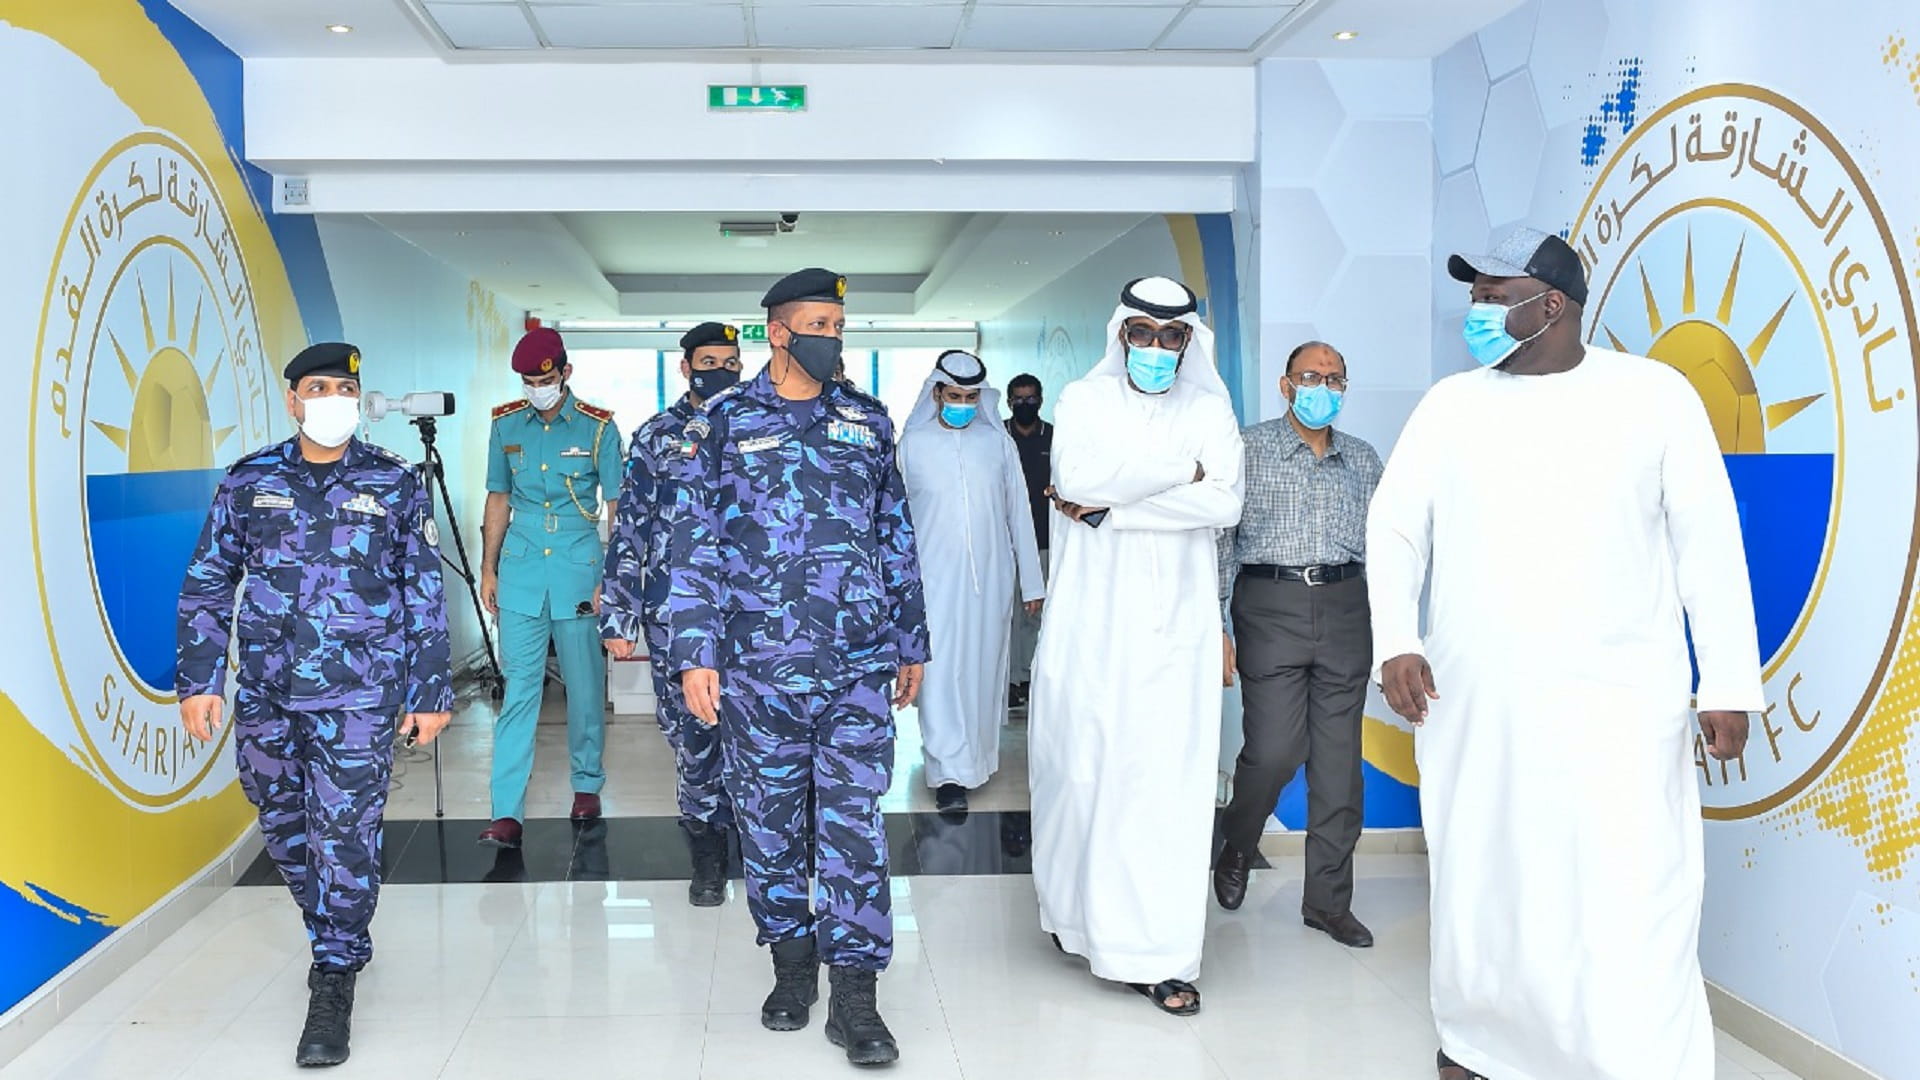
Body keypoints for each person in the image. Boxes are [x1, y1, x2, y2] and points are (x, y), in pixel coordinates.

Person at [1369, 228, 1761, 1080]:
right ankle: (1478, 1044)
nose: (1475, 310)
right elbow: (1395, 526)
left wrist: (1727, 683)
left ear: (1552, 304)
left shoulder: (1653, 396)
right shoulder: (1451, 405)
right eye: (1471, 294)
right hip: (1481, 702)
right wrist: (1398, 639)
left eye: (1490, 293)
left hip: (1616, 706)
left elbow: (1710, 544)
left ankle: (1634, 1059)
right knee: (1487, 880)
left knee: (1623, 885)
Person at [667, 268, 928, 1066]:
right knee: (771, 826)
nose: (833, 337)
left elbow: (895, 533)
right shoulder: (722, 422)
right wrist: (694, 653)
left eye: (841, 325)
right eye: (818, 322)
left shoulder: (868, 420)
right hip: (755, 666)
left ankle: (856, 996)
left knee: (853, 828)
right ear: (777, 331)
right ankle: (791, 967)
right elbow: (693, 543)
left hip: (854, 663)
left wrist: (910, 639)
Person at [175, 342, 452, 1068]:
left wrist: (430, 688)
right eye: (317, 387)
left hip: (360, 694)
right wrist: (199, 680)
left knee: (343, 830)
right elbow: (208, 581)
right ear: (293, 399)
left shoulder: (393, 481)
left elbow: (422, 589)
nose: (332, 398)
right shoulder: (250, 480)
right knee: (280, 817)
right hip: (267, 691)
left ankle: (334, 969)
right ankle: (330, 920)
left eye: (344, 388)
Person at [1029, 277, 1244, 1017]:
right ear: (1122, 334)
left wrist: (1115, 510)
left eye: (1172, 336)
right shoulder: (1082, 402)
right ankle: (1073, 917)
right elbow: (1076, 480)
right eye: (1143, 334)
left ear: (1190, 342)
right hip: (1092, 622)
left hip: (1175, 630)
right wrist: (1177, 476)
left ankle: (1158, 953)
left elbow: (1226, 502)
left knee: (1165, 781)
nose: (1156, 349)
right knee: (1084, 770)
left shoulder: (1210, 407)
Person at [1212, 341, 1382, 949]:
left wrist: (1391, 632)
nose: (1323, 387)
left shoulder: (1362, 460)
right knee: (1277, 749)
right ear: (1286, 386)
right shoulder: (1248, 450)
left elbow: (1384, 549)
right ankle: (1237, 835)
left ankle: (1328, 904)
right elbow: (1220, 543)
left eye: (1335, 378)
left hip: (1344, 607)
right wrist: (1218, 628)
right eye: (1311, 376)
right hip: (1269, 605)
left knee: (1339, 770)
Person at [602, 321, 745, 906]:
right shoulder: (656, 436)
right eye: (709, 361)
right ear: (686, 367)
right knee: (693, 735)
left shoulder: (758, 424)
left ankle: (758, 843)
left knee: (756, 735)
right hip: (675, 615)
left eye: (732, 362)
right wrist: (618, 613)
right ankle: (706, 851)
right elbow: (630, 525)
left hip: (752, 613)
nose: (722, 371)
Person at [476, 327, 624, 848]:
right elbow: (498, 498)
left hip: (579, 572)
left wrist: (616, 580)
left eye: (544, 378)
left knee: (584, 687)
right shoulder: (504, 424)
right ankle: (506, 812)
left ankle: (586, 784)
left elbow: (616, 511)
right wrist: (488, 567)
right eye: (526, 381)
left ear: (565, 372)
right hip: (519, 573)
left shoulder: (599, 429)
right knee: (520, 692)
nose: (535, 387)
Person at [897, 350, 1045, 816]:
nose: (962, 403)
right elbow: (894, 518)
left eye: (970, 396)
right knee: (939, 672)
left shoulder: (994, 442)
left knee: (982, 670)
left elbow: (1019, 509)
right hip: (931, 581)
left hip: (992, 580)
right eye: (954, 395)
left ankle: (977, 760)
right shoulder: (912, 443)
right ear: (937, 392)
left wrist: (1032, 584)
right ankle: (947, 771)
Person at [1004, 373, 1053, 707]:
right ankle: (1010, 682)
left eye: (1030, 399)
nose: (1025, 405)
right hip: (1005, 545)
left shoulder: (1056, 438)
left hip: (1046, 542)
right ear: (1008, 403)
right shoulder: (999, 437)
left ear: (1041, 400)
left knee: (1037, 614)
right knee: (1008, 615)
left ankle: (1033, 678)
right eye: (1018, 400)